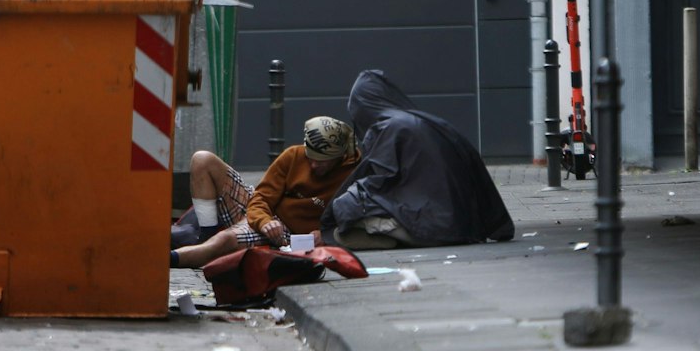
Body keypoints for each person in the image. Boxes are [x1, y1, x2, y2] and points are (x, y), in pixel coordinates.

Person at [323, 69, 514, 249]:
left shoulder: (389, 128)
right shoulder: (429, 122)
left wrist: (335, 211)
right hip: (465, 223)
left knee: (346, 210)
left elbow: (380, 181)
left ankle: (393, 237)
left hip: (435, 228)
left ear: (362, 110)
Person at [170, 116, 361, 269]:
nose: (313, 164)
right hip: (265, 213)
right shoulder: (293, 155)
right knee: (202, 159)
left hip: (286, 233)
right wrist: (265, 221)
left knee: (225, 240)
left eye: (322, 161)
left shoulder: (353, 175)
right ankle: (205, 237)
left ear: (339, 156)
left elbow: (356, 218)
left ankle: (173, 259)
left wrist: (325, 234)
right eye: (310, 156)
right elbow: (260, 198)